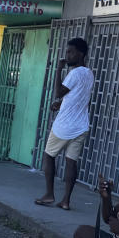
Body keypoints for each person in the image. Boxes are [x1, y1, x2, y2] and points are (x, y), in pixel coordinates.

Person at [34, 37, 94, 211]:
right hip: (81, 125)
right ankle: (66, 200)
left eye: (70, 52)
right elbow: (77, 96)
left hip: (64, 125)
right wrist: (60, 104)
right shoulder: (88, 73)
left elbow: (59, 91)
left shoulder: (74, 73)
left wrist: (59, 68)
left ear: (80, 54)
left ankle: (49, 194)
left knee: (48, 156)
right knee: (71, 162)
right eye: (67, 52)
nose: (67, 56)